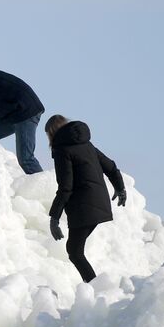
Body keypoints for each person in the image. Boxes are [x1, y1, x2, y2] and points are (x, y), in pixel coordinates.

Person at [45, 114, 127, 283]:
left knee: (74, 252)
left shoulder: (62, 150)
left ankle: (95, 289)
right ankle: (93, 288)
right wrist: (120, 188)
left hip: (84, 206)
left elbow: (65, 187)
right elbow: (110, 167)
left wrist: (54, 217)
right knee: (75, 250)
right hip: (99, 202)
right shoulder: (86, 144)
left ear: (51, 133)